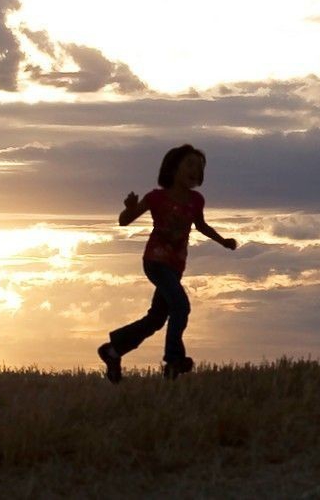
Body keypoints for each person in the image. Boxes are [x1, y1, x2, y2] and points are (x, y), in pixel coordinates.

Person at [98, 145, 238, 382]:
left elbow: (201, 225)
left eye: (200, 167)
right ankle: (173, 359)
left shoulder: (196, 200)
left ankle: (113, 350)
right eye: (190, 164)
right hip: (155, 262)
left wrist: (222, 241)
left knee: (156, 319)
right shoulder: (156, 198)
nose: (196, 170)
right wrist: (129, 208)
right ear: (173, 168)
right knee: (181, 307)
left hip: (175, 267)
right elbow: (124, 221)